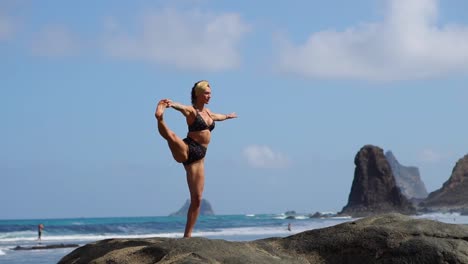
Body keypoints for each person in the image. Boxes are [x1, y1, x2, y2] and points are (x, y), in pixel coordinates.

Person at [155, 80, 237, 238]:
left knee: (197, 199)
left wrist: (227, 116)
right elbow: (183, 108)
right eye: (206, 93)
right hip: (187, 149)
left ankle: (187, 236)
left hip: (199, 158)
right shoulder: (192, 112)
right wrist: (171, 104)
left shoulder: (208, 113)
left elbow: (217, 117)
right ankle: (160, 119)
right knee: (171, 136)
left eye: (210, 93)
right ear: (198, 94)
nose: (209, 96)